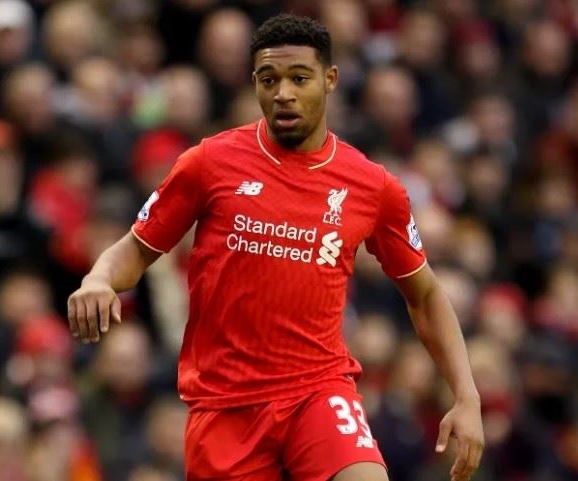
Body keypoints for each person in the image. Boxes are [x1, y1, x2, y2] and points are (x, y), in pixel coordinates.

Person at [67, 14, 484, 481]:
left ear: (330, 80)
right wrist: (98, 279)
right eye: (269, 79)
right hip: (226, 405)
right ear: (255, 84)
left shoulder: (373, 186)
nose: (283, 92)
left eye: (299, 78)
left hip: (318, 391)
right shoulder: (209, 162)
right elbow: (136, 249)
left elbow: (425, 295)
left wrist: (466, 396)